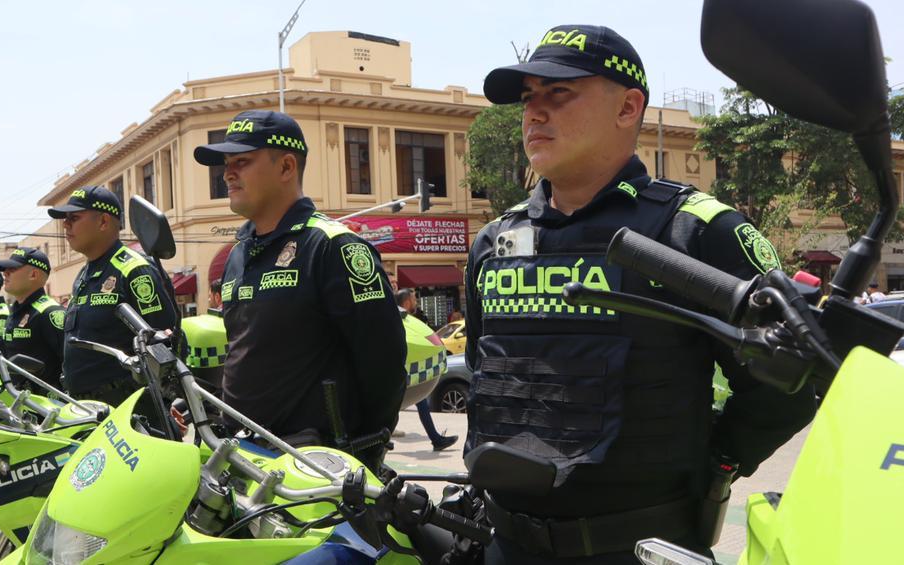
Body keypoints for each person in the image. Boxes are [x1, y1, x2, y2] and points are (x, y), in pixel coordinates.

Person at [465, 25, 817, 562]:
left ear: (628, 107)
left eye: (558, 93)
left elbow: (792, 381)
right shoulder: (494, 243)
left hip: (642, 547)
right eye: (528, 97)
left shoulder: (698, 232)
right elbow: (482, 377)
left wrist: (716, 459)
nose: (534, 113)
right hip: (507, 545)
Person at [194, 110, 406, 468]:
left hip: (312, 470)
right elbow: (247, 355)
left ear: (286, 167)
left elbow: (384, 364)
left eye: (242, 161)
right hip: (243, 460)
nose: (227, 173)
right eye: (226, 163)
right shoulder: (238, 255)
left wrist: (364, 450)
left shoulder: (334, 247)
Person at [48, 186, 179, 405]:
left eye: (74, 217)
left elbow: (164, 344)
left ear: (103, 222)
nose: (65, 224)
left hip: (127, 407)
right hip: (85, 406)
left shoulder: (134, 270)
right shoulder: (84, 275)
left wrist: (162, 405)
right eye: (65, 219)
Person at [0, 247, 66, 392]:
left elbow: (71, 364)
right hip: (19, 403)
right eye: (5, 269)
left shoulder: (50, 312)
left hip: (48, 407)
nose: (5, 273)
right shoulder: (14, 312)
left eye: (12, 269)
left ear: (33, 274)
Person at [397, 288, 458, 452]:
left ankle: (436, 438)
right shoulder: (403, 321)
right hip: (405, 370)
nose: (416, 302)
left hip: (407, 371)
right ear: (407, 302)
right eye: (414, 299)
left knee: (420, 401)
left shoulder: (407, 319)